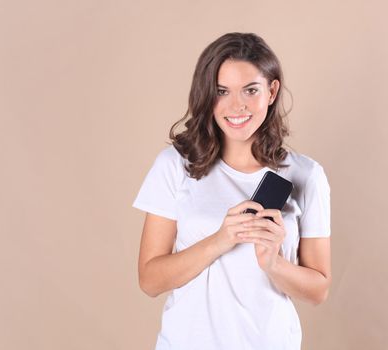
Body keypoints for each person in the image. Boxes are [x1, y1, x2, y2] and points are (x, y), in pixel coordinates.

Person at [132, 32, 331, 350]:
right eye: (221, 91)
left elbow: (318, 290)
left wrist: (273, 263)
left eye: (250, 90)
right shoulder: (175, 165)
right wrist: (220, 240)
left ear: (271, 90)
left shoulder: (307, 175)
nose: (236, 106)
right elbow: (150, 280)